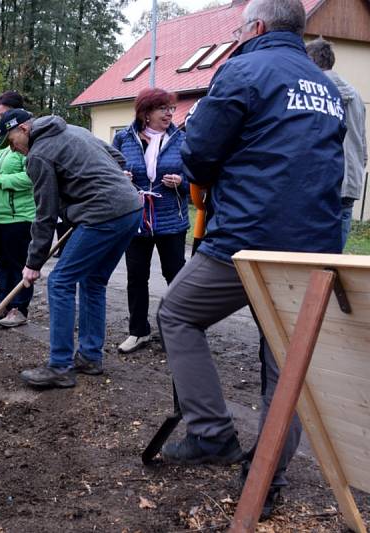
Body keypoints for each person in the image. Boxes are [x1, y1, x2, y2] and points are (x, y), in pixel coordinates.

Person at [155, 0, 346, 518]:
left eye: (240, 29)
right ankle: (265, 484)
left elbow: (198, 155)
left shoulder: (241, 68)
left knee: (176, 314)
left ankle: (211, 432)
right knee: (286, 368)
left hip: (248, 241)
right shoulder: (327, 86)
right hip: (318, 248)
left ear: (256, 27)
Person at [0, 108, 141, 388]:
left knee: (60, 282)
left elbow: (45, 215)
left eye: (11, 141)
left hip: (103, 214)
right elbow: (118, 159)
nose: (13, 149)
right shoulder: (74, 130)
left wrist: (33, 263)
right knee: (93, 281)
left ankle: (60, 365)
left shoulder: (38, 155)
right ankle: (89, 356)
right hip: (130, 209)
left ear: (24, 129)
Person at [112, 88, 189, 353]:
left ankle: (178, 332)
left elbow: (196, 177)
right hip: (136, 219)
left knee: (176, 278)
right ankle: (138, 331)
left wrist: (182, 182)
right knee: (136, 277)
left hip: (171, 221)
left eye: (171, 109)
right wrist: (121, 177)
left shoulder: (182, 139)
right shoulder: (123, 138)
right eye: (162, 109)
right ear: (145, 113)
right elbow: (109, 171)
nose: (169, 114)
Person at [306, 37, 368, 250]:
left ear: (311, 62)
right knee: (336, 248)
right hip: (350, 179)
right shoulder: (357, 96)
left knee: (312, 242)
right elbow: (362, 141)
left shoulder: (314, 91)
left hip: (323, 177)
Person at [0, 91, 36, 328]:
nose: (0, 120)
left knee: (19, 264)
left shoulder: (29, 141)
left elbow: (32, 177)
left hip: (19, 215)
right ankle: (3, 304)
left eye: (4, 115)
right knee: (3, 263)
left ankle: (19, 308)